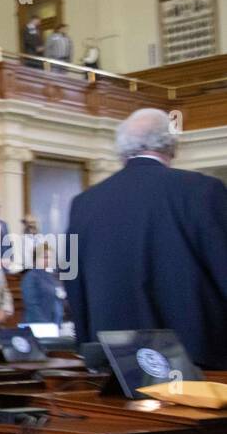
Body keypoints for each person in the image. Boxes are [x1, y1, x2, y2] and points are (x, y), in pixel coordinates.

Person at [65, 107, 227, 368]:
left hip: (117, 362)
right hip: (197, 364)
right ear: (172, 145)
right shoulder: (202, 191)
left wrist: (88, 350)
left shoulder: (83, 203)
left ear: (121, 150)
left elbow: (72, 281)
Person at [21, 240, 63, 326]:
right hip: (39, 326)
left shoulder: (53, 276)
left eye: (50, 258)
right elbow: (32, 305)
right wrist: (45, 325)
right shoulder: (30, 277)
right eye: (45, 257)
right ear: (36, 259)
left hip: (56, 324)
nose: (48, 260)